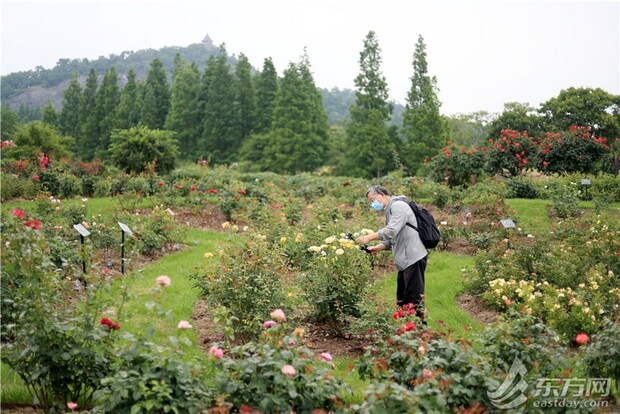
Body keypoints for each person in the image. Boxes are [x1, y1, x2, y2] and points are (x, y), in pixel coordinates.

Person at [356, 185, 428, 319]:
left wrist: (369, 237)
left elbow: (391, 231)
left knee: (414, 300)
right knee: (402, 300)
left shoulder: (398, 206)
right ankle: (406, 332)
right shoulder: (390, 210)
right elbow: (395, 237)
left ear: (382, 194)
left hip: (413, 257)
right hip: (404, 261)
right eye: (370, 202)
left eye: (373, 200)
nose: (372, 204)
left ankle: (420, 334)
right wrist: (379, 247)